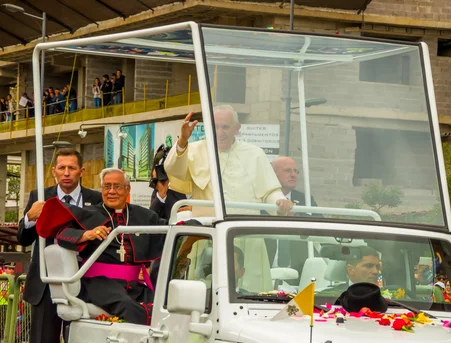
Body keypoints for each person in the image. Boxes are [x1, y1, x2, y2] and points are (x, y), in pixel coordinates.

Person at [165, 107, 293, 292]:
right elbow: (173, 170)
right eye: (215, 127)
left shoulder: (255, 154)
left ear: (237, 128)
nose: (220, 132)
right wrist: (183, 141)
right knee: (203, 293)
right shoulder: (194, 149)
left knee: (252, 293)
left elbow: (270, 191)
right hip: (209, 236)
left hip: (247, 235)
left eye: (225, 127)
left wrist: (280, 202)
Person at [17, 148, 102, 343]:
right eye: (61, 168)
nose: (66, 173)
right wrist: (30, 218)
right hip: (46, 287)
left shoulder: (95, 199)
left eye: (72, 168)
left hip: (83, 285)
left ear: (82, 171)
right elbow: (23, 237)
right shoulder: (39, 196)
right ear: (54, 171)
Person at [36, 168, 167, 325]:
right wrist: (87, 234)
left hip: (134, 285)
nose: (111, 191)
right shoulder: (89, 213)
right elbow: (61, 234)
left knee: (163, 305)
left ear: (128, 189)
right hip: (98, 284)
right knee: (126, 306)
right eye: (107, 186)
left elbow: (169, 228)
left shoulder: (143, 215)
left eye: (117, 186)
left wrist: (196, 223)